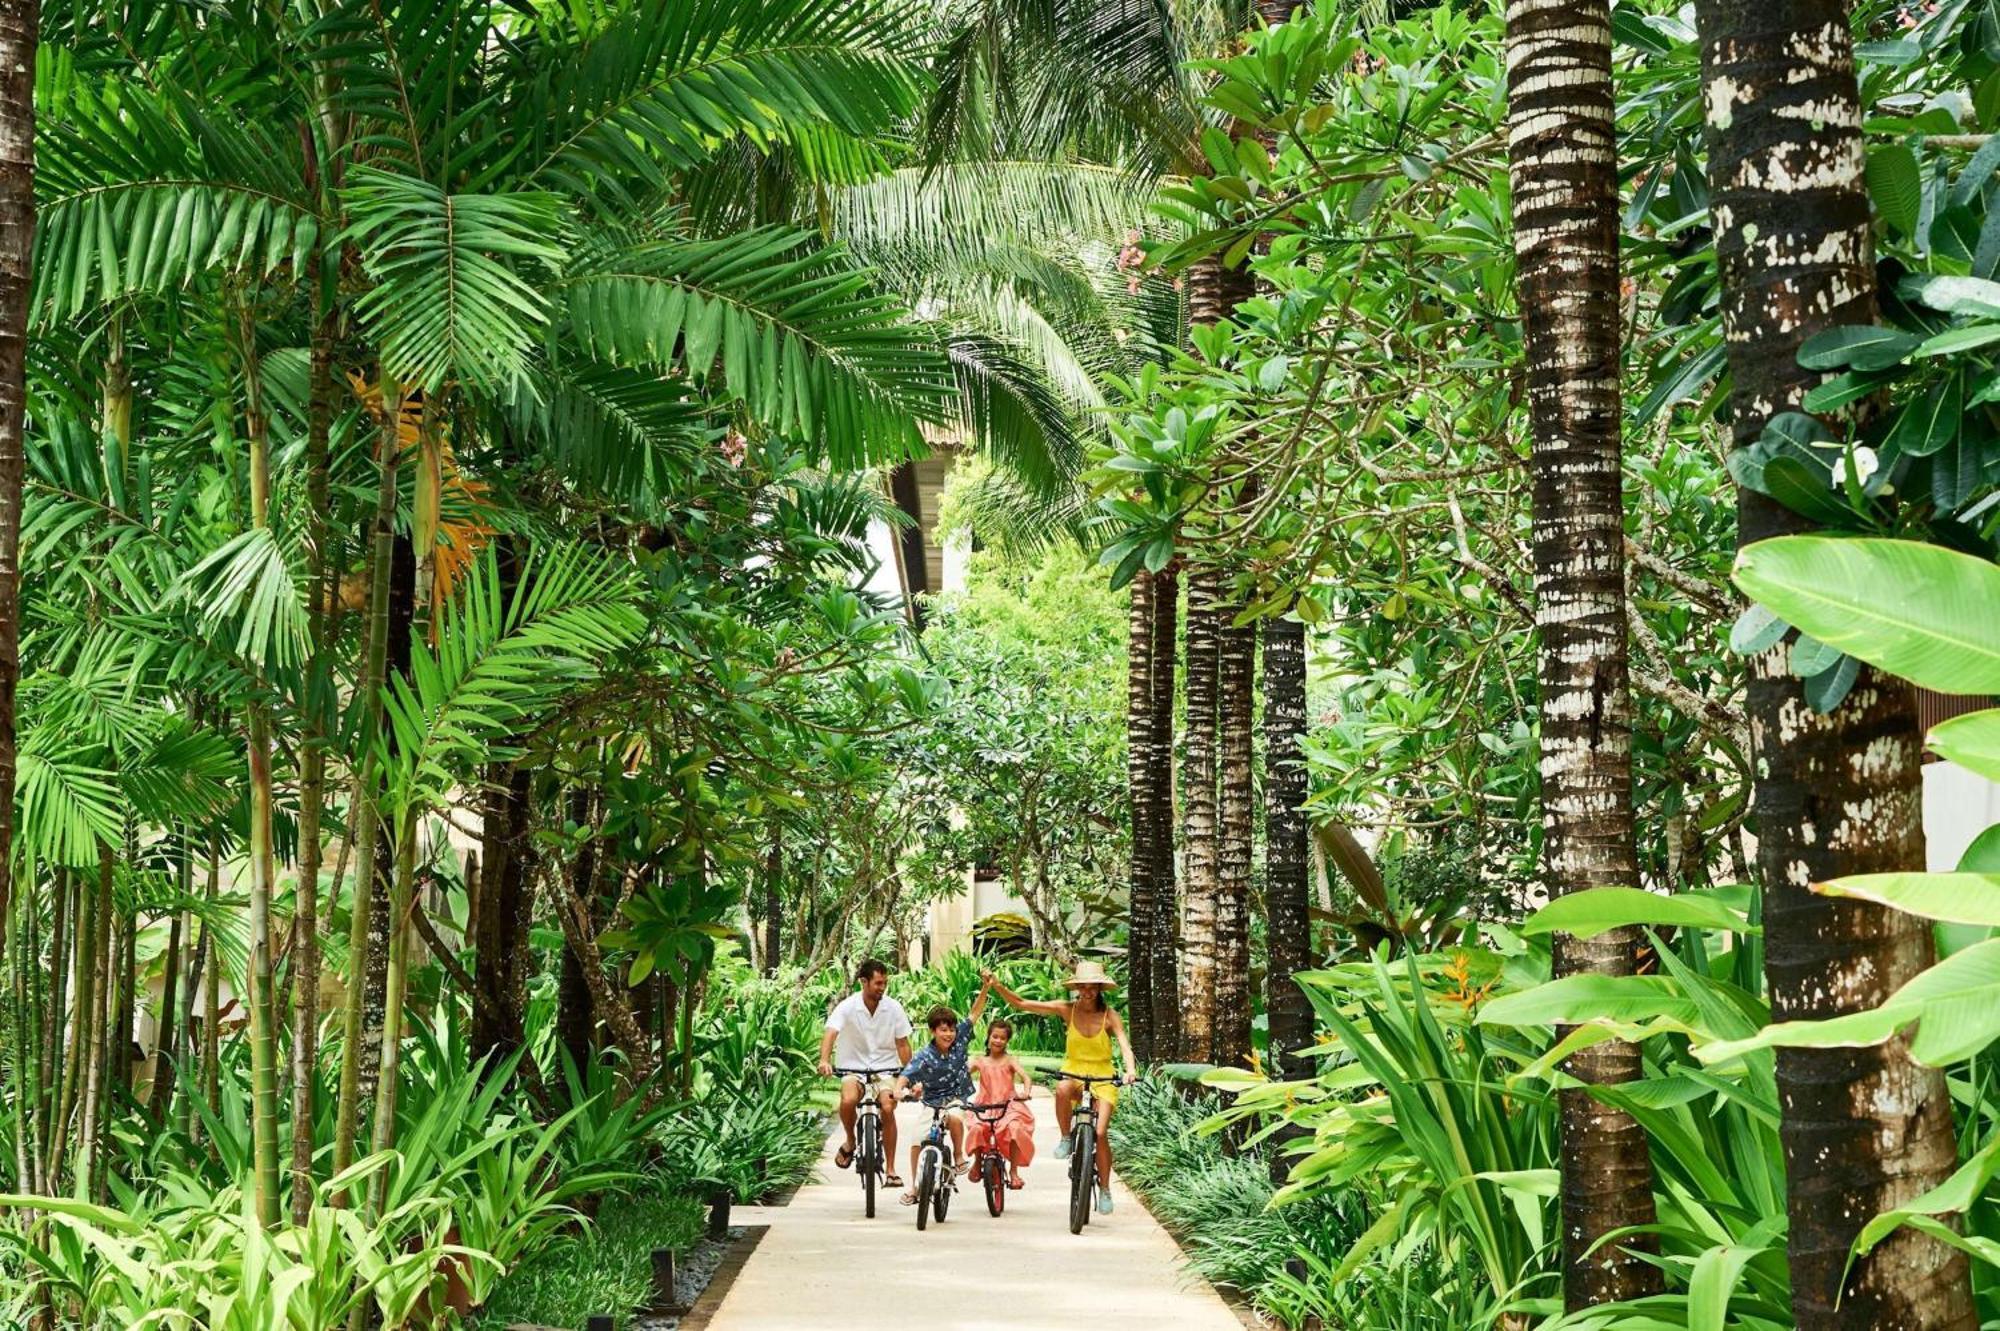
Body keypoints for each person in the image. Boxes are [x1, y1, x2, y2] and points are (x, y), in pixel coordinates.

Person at [985, 960, 1137, 1215]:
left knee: (1100, 1133)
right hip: (1073, 1071)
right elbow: (1021, 1004)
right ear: (1077, 988)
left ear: (1100, 989)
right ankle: (1067, 1137)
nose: (1087, 992)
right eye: (1083, 987)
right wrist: (998, 986)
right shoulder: (1067, 1009)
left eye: (1093, 988)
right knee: (1063, 1089)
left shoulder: (1110, 1016)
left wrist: (1130, 1070)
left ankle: (1106, 1189)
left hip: (1103, 1077)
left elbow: (1124, 1045)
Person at [818, 959, 913, 1188]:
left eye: (885, 983)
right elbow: (831, 1033)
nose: (882, 988)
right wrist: (824, 1060)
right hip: (853, 1068)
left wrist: (910, 1072)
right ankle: (851, 1140)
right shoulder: (848, 1006)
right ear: (864, 981)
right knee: (849, 1099)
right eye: (878, 983)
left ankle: (890, 1170)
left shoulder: (893, 1008)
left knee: (888, 1107)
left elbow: (902, 1043)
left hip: (885, 1068)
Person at [893, 979, 990, 1205]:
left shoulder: (960, 1042)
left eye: (952, 1030)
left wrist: (986, 987)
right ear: (933, 1031)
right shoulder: (924, 1055)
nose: (949, 1034)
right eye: (943, 1030)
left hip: (956, 1097)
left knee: (955, 1117)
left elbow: (975, 1013)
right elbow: (906, 1075)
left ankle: (957, 1155)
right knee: (917, 1139)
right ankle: (915, 1188)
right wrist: (899, 1090)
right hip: (932, 1102)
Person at [966, 1014, 1036, 1189]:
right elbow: (962, 1076)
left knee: (1014, 1128)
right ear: (988, 1037)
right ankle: (976, 1162)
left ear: (1007, 1041)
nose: (998, 1041)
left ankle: (1013, 1171)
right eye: (995, 1036)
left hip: (1007, 1105)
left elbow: (1026, 1077)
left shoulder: (1010, 1060)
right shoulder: (980, 1061)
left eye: (1002, 1038)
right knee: (976, 1128)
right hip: (985, 1105)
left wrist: (1026, 1092)